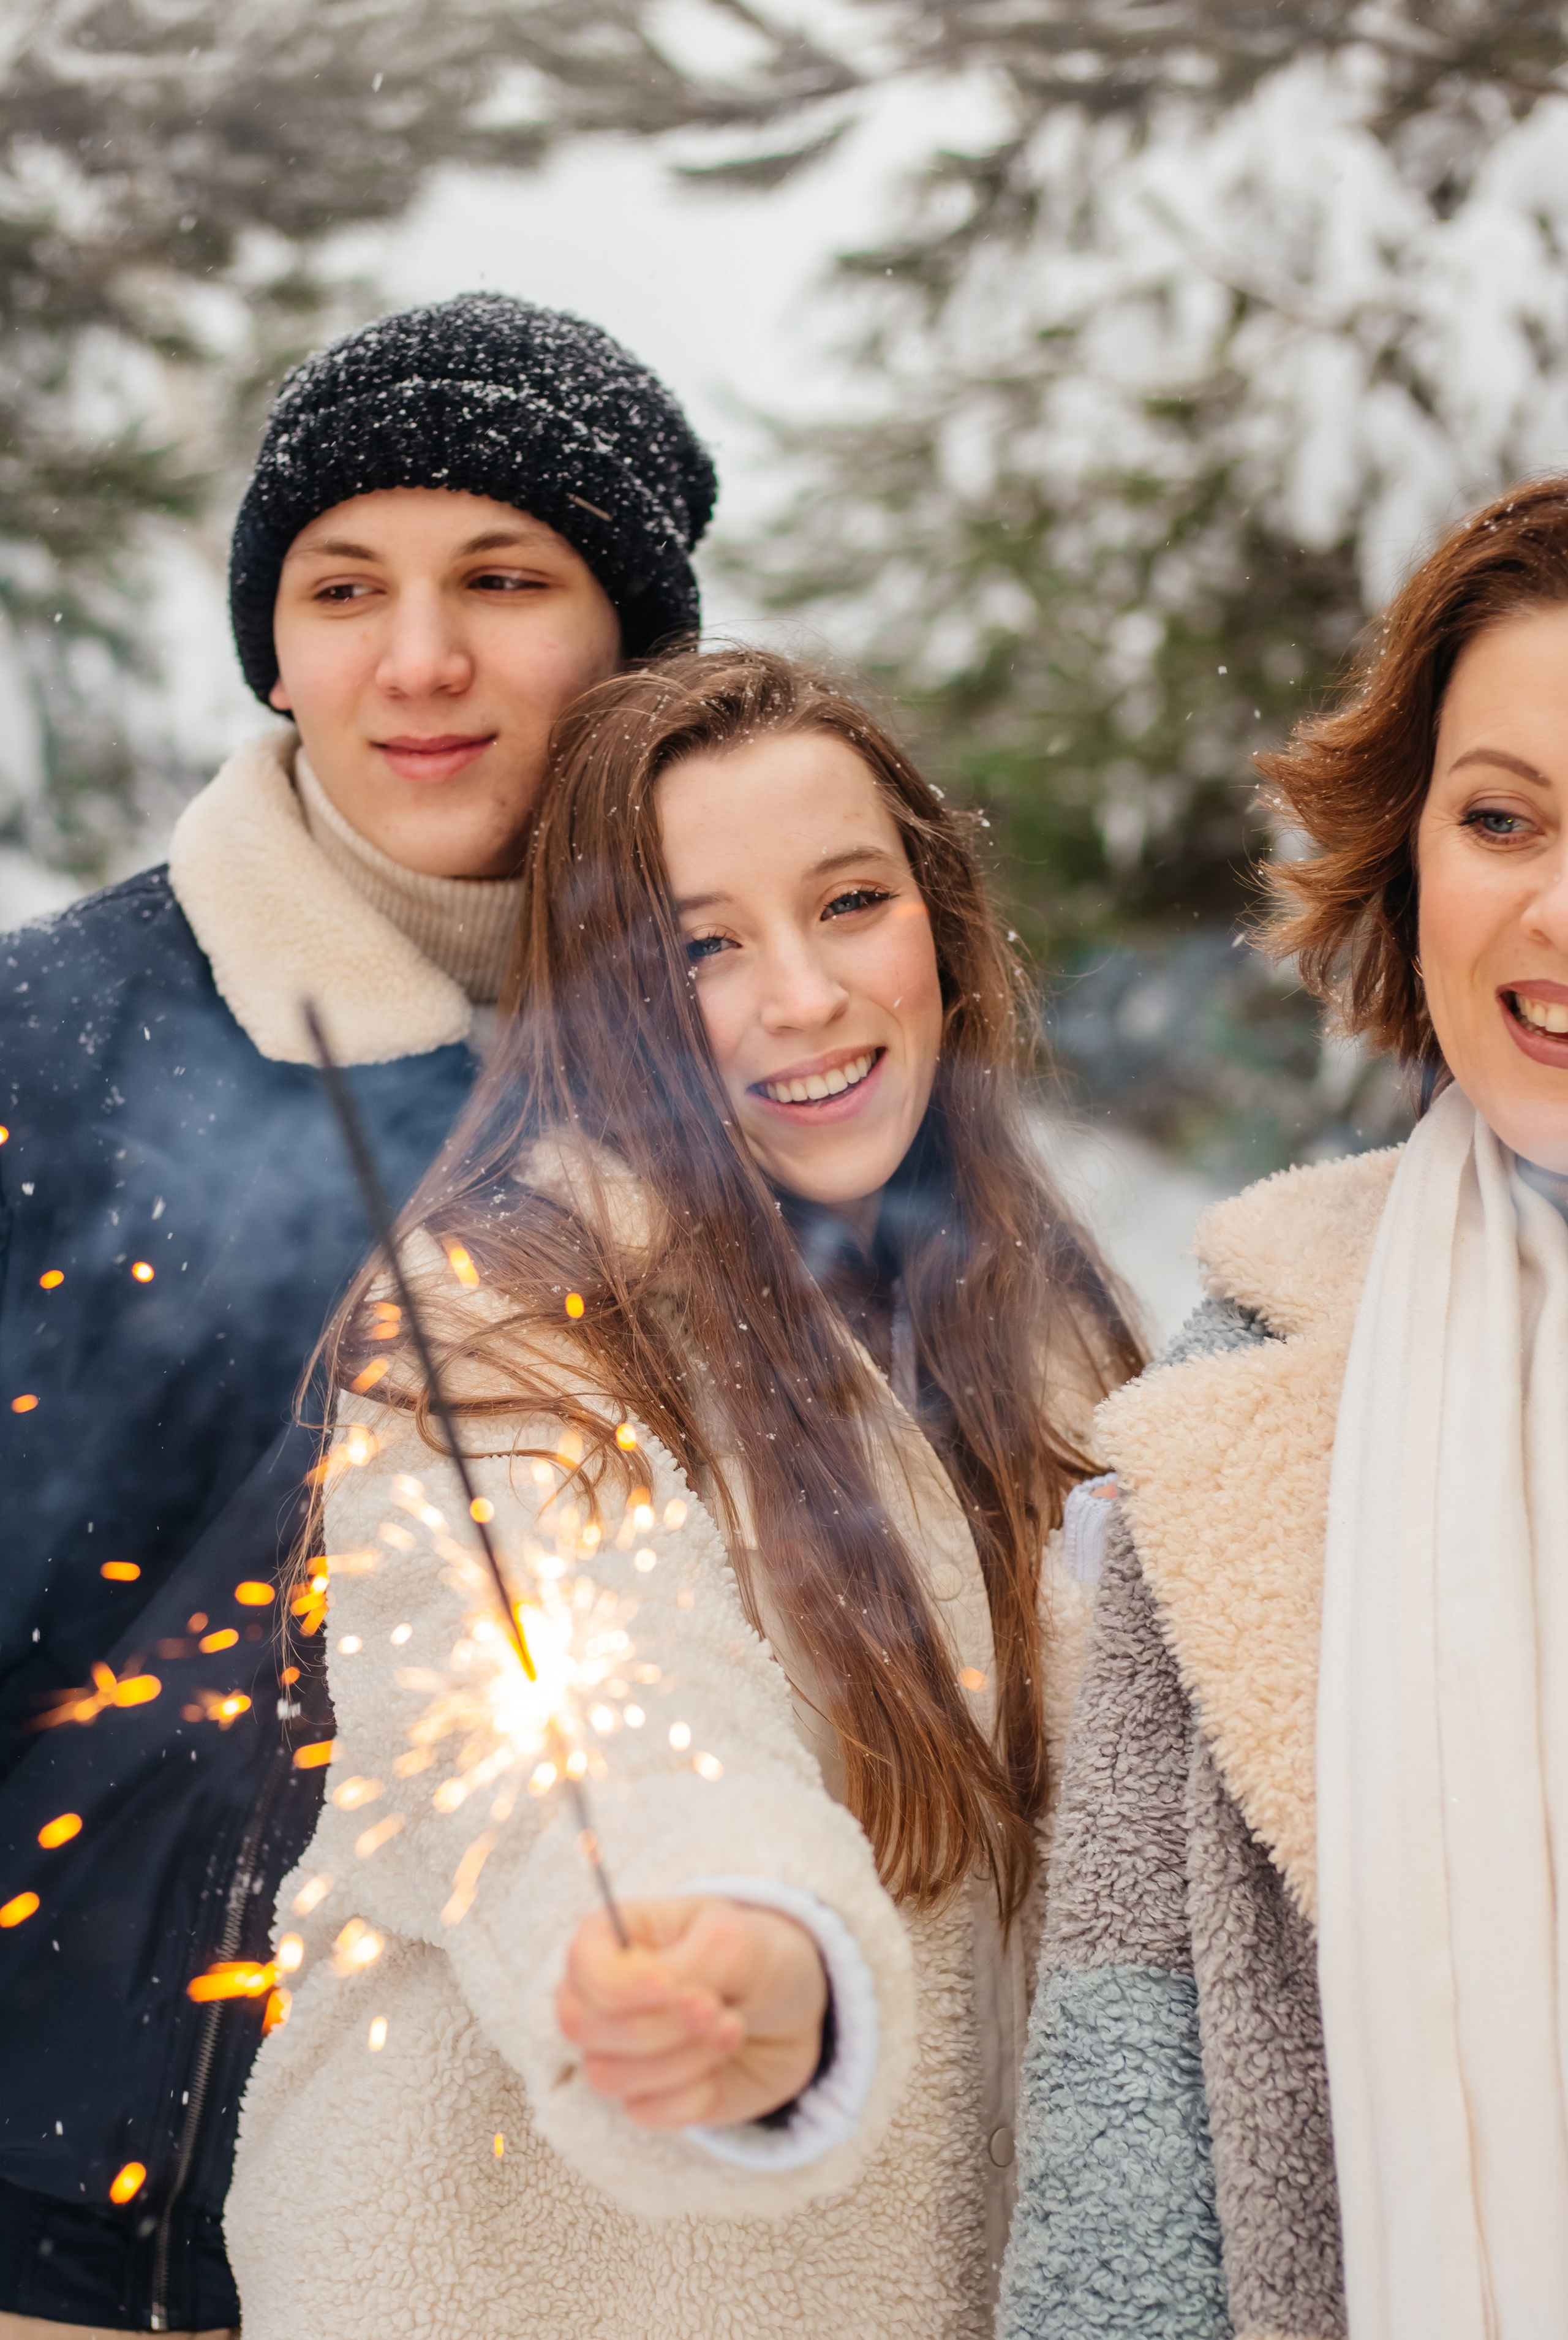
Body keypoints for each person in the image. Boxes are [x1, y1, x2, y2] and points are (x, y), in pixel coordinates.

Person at [224, 646, 1142, 2339]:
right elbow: (590, 1710)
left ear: (935, 919)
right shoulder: (504, 1336)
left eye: (848, 901)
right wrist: (729, 1938)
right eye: (703, 946)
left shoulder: (1048, 1319)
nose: (800, 994)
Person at [0, 292, 714, 2338]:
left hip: (531, 2247)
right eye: (343, 588)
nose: (418, 661)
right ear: (274, 640)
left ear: (634, 642)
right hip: (70, 2231)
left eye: (506, 578)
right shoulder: (52, 1040)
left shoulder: (755, 1062)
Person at [1000, 477, 1568, 2340]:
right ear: (1410, 857)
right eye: (1502, 818)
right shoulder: (1251, 1386)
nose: (1557, 908)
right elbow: (1128, 2079)